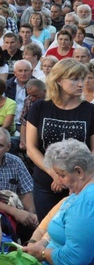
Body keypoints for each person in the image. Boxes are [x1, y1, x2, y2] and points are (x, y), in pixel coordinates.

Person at [25, 58, 94, 219]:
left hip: (80, 184)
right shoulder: (40, 107)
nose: (81, 84)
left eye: (82, 79)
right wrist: (56, 174)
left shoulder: (90, 111)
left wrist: (70, 177)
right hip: (46, 182)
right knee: (47, 230)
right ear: (58, 80)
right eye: (74, 79)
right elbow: (31, 147)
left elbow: (92, 151)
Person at [21, 139, 94, 265]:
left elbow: (75, 258)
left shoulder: (86, 202)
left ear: (79, 172)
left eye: (62, 175)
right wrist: (41, 243)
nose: (58, 181)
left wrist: (42, 254)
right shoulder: (79, 193)